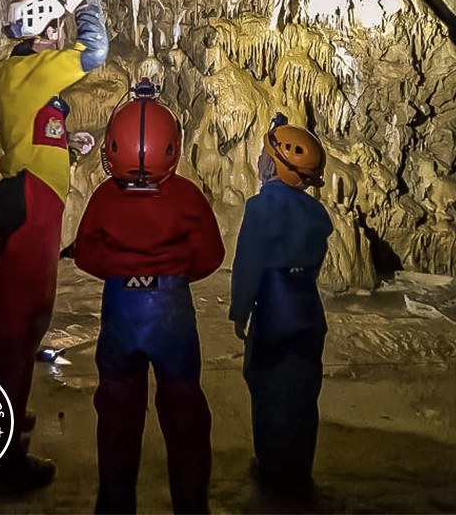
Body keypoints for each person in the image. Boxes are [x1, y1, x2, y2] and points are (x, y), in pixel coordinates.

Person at [0, 0, 108, 485]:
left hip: (32, 195)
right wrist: (84, 5)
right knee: (18, 321)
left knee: (15, 315)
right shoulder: (30, 68)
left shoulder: (18, 76)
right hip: (32, 202)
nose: (62, 37)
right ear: (45, 30)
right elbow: (96, 50)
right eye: (58, 29)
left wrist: (67, 144)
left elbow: (32, 132)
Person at [75, 78, 225, 514]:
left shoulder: (105, 196)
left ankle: (115, 504)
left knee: (118, 411)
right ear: (172, 148)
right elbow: (211, 255)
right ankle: (191, 505)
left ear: (113, 146)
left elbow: (86, 254)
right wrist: (173, 274)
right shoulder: (186, 196)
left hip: (122, 309)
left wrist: (122, 271)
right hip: (171, 309)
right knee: (184, 409)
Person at [229, 113, 333, 499]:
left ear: (276, 166)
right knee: (304, 391)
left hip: (274, 309)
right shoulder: (316, 213)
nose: (259, 160)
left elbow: (249, 263)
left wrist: (240, 310)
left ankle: (273, 470)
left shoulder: (260, 207)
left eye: (264, 155)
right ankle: (299, 468)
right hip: (308, 307)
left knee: (268, 387)